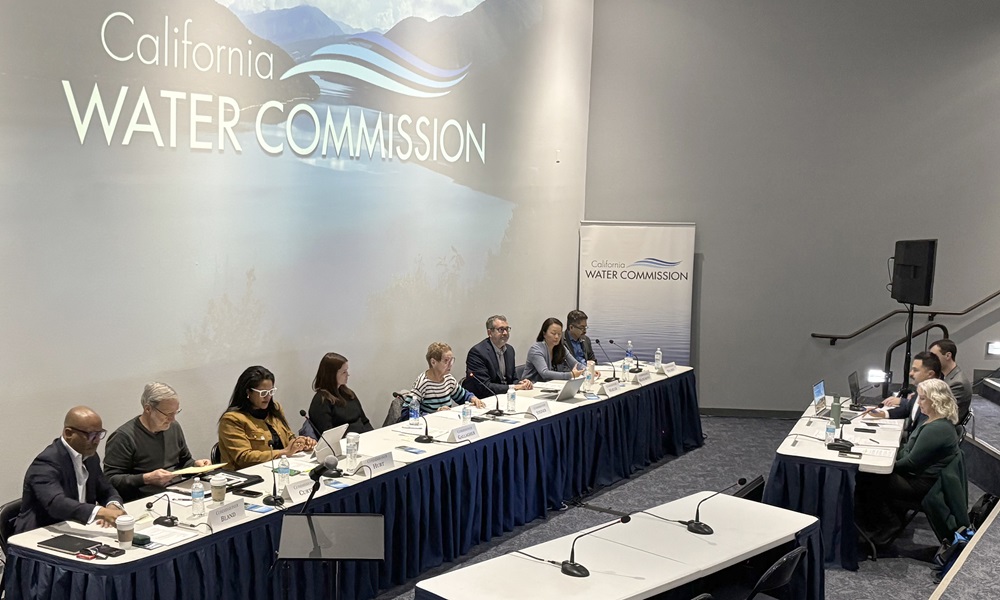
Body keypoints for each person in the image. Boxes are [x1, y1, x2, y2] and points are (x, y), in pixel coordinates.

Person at [855, 378, 961, 545]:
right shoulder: (932, 420)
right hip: (918, 477)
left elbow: (910, 463)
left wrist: (885, 465)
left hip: (920, 484)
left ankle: (887, 523)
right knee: (871, 473)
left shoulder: (937, 429)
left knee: (866, 476)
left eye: (923, 398)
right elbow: (908, 450)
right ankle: (873, 523)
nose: (918, 402)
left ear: (936, 400)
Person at [14, 406, 126, 534]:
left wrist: (113, 505)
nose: (96, 441)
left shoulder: (90, 457)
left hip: (78, 529)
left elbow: (106, 490)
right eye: (91, 435)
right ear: (68, 433)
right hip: (40, 533)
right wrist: (100, 512)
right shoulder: (45, 463)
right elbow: (56, 504)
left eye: (99, 434)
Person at [104, 382, 212, 502]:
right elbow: (110, 479)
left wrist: (196, 465)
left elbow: (184, 461)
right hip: (144, 499)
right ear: (148, 409)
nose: (172, 419)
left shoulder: (173, 427)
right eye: (168, 414)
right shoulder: (123, 437)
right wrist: (146, 478)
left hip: (178, 492)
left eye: (175, 412)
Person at [218, 366, 316, 470]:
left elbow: (289, 437)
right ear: (248, 392)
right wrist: (283, 452)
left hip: (281, 467)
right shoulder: (232, 419)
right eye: (263, 393)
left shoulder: (275, 409)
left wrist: (300, 443)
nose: (268, 397)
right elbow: (243, 457)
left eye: (271, 392)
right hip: (249, 474)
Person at [868, 351, 941, 435]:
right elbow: (908, 408)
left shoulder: (935, 398)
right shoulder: (921, 390)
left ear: (930, 374)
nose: (911, 373)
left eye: (915, 370)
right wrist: (883, 414)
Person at [464, 315, 533, 399]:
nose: (505, 333)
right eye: (501, 329)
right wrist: (514, 387)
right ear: (490, 333)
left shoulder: (510, 350)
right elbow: (485, 386)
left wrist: (522, 383)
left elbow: (513, 378)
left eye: (507, 329)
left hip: (506, 396)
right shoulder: (477, 353)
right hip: (484, 399)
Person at [308, 352, 373, 435]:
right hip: (345, 441)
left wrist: (372, 435)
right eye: (344, 372)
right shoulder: (321, 401)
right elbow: (328, 435)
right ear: (331, 375)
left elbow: (364, 421)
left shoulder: (349, 394)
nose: (348, 374)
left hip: (363, 437)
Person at [412, 342, 485, 413]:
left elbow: (462, 396)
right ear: (433, 362)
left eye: (451, 360)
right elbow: (408, 412)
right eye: (446, 361)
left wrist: (472, 398)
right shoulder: (423, 383)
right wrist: (434, 414)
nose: (450, 365)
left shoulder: (449, 378)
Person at [522, 317, 585, 383]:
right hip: (531, 386)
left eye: (559, 334)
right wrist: (570, 375)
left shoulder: (561, 348)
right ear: (544, 334)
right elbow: (544, 373)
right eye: (553, 333)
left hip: (552, 385)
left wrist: (588, 370)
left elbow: (576, 364)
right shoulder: (536, 350)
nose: (557, 337)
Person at [929, 339, 973, 423]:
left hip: (942, 426)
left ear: (948, 356)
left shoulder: (958, 383)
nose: (931, 361)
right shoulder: (947, 376)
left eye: (934, 357)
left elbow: (939, 412)